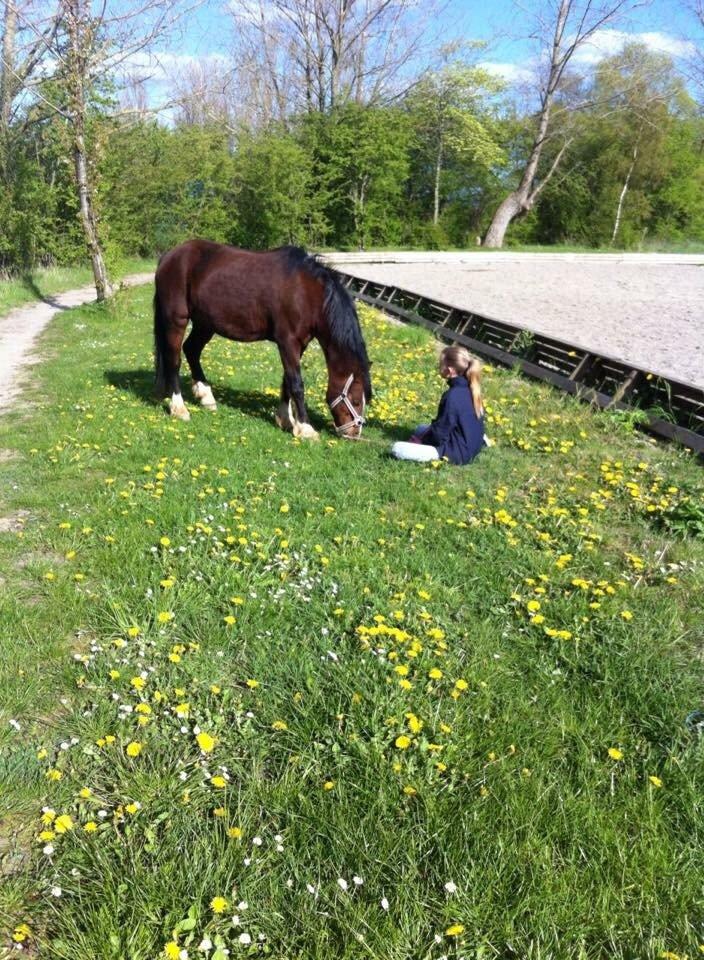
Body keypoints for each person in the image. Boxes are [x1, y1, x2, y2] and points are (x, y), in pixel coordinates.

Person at [391, 345, 486, 465]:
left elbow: (440, 434)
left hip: (456, 454)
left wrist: (421, 441)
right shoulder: (472, 388)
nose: (438, 368)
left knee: (397, 448)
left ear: (450, 370)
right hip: (471, 446)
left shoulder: (452, 395)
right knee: (420, 428)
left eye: (440, 365)